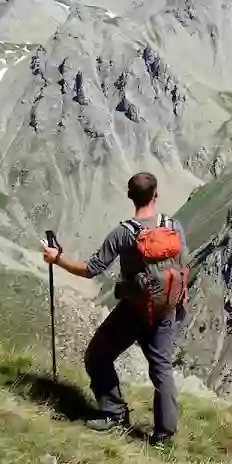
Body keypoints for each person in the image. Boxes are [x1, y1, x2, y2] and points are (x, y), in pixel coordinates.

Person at [41, 171, 188, 447]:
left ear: (130, 196)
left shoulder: (123, 233)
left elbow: (91, 269)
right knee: (162, 371)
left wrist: (57, 259)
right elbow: (183, 264)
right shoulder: (174, 226)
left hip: (133, 311)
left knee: (97, 356)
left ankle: (115, 414)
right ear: (156, 194)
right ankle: (163, 437)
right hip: (165, 309)